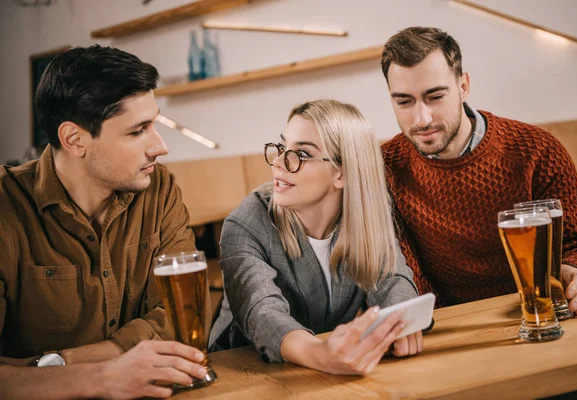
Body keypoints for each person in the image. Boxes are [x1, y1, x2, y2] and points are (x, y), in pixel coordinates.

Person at [0, 45, 206, 399]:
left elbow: (181, 319)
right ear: (74, 139)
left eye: (154, 123)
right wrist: (104, 377)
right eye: (137, 130)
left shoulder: (160, 188)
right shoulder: (6, 208)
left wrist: (54, 365)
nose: (160, 146)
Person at [380, 26, 577, 314]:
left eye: (435, 97)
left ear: (463, 86)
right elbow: (406, 272)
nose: (422, 118)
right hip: (454, 325)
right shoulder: (385, 167)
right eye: (404, 101)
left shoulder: (538, 151)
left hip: (543, 312)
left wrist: (575, 271)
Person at [209, 100, 423, 375]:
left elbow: (393, 280)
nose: (278, 162)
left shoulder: (364, 216)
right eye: (283, 147)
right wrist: (320, 354)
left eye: (302, 153)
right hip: (241, 372)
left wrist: (400, 322)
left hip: (320, 370)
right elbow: (263, 313)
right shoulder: (247, 222)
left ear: (342, 173)